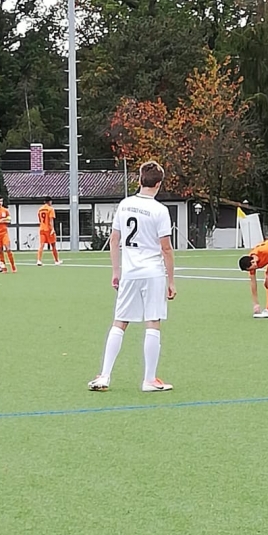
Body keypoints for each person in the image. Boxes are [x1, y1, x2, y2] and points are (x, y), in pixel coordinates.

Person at [88, 161, 176, 393]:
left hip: (130, 272)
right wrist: (171, 281)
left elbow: (114, 240)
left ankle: (104, 375)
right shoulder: (160, 210)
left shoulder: (125, 204)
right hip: (153, 272)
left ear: (140, 180)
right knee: (153, 321)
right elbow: (166, 248)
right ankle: (149, 380)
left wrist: (116, 271)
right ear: (159, 183)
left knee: (120, 321)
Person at [36, 197, 61, 265]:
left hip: (42, 229)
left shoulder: (40, 209)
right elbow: (51, 220)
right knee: (53, 245)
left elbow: (40, 220)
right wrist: (52, 229)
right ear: (49, 201)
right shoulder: (50, 209)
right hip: (48, 229)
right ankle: (56, 261)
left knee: (41, 245)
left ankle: (39, 260)